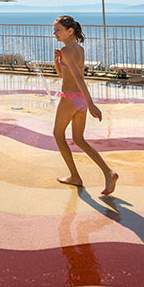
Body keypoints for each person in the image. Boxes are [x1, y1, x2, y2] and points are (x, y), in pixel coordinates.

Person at [53, 15, 118, 195]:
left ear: (70, 31)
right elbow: (62, 75)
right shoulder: (78, 49)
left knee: (58, 135)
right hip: (79, 99)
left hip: (70, 98)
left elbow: (78, 78)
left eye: (58, 29)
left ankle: (75, 176)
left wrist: (92, 104)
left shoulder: (67, 51)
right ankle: (108, 172)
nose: (54, 33)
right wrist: (57, 61)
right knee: (79, 139)